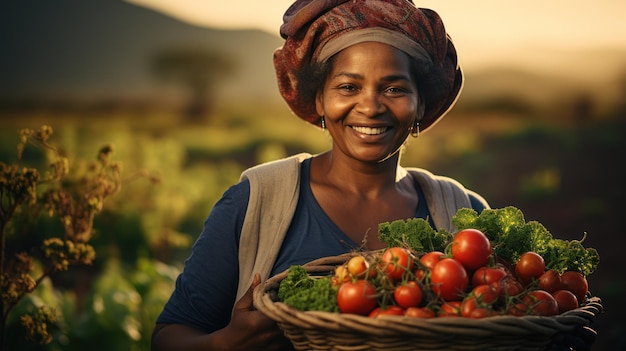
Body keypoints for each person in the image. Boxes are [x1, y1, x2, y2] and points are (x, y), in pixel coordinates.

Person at [151, 1, 490, 350]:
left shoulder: (463, 212)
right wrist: (226, 344)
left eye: (394, 89)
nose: (371, 107)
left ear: (420, 104)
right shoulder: (257, 201)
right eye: (348, 87)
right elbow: (168, 337)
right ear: (319, 100)